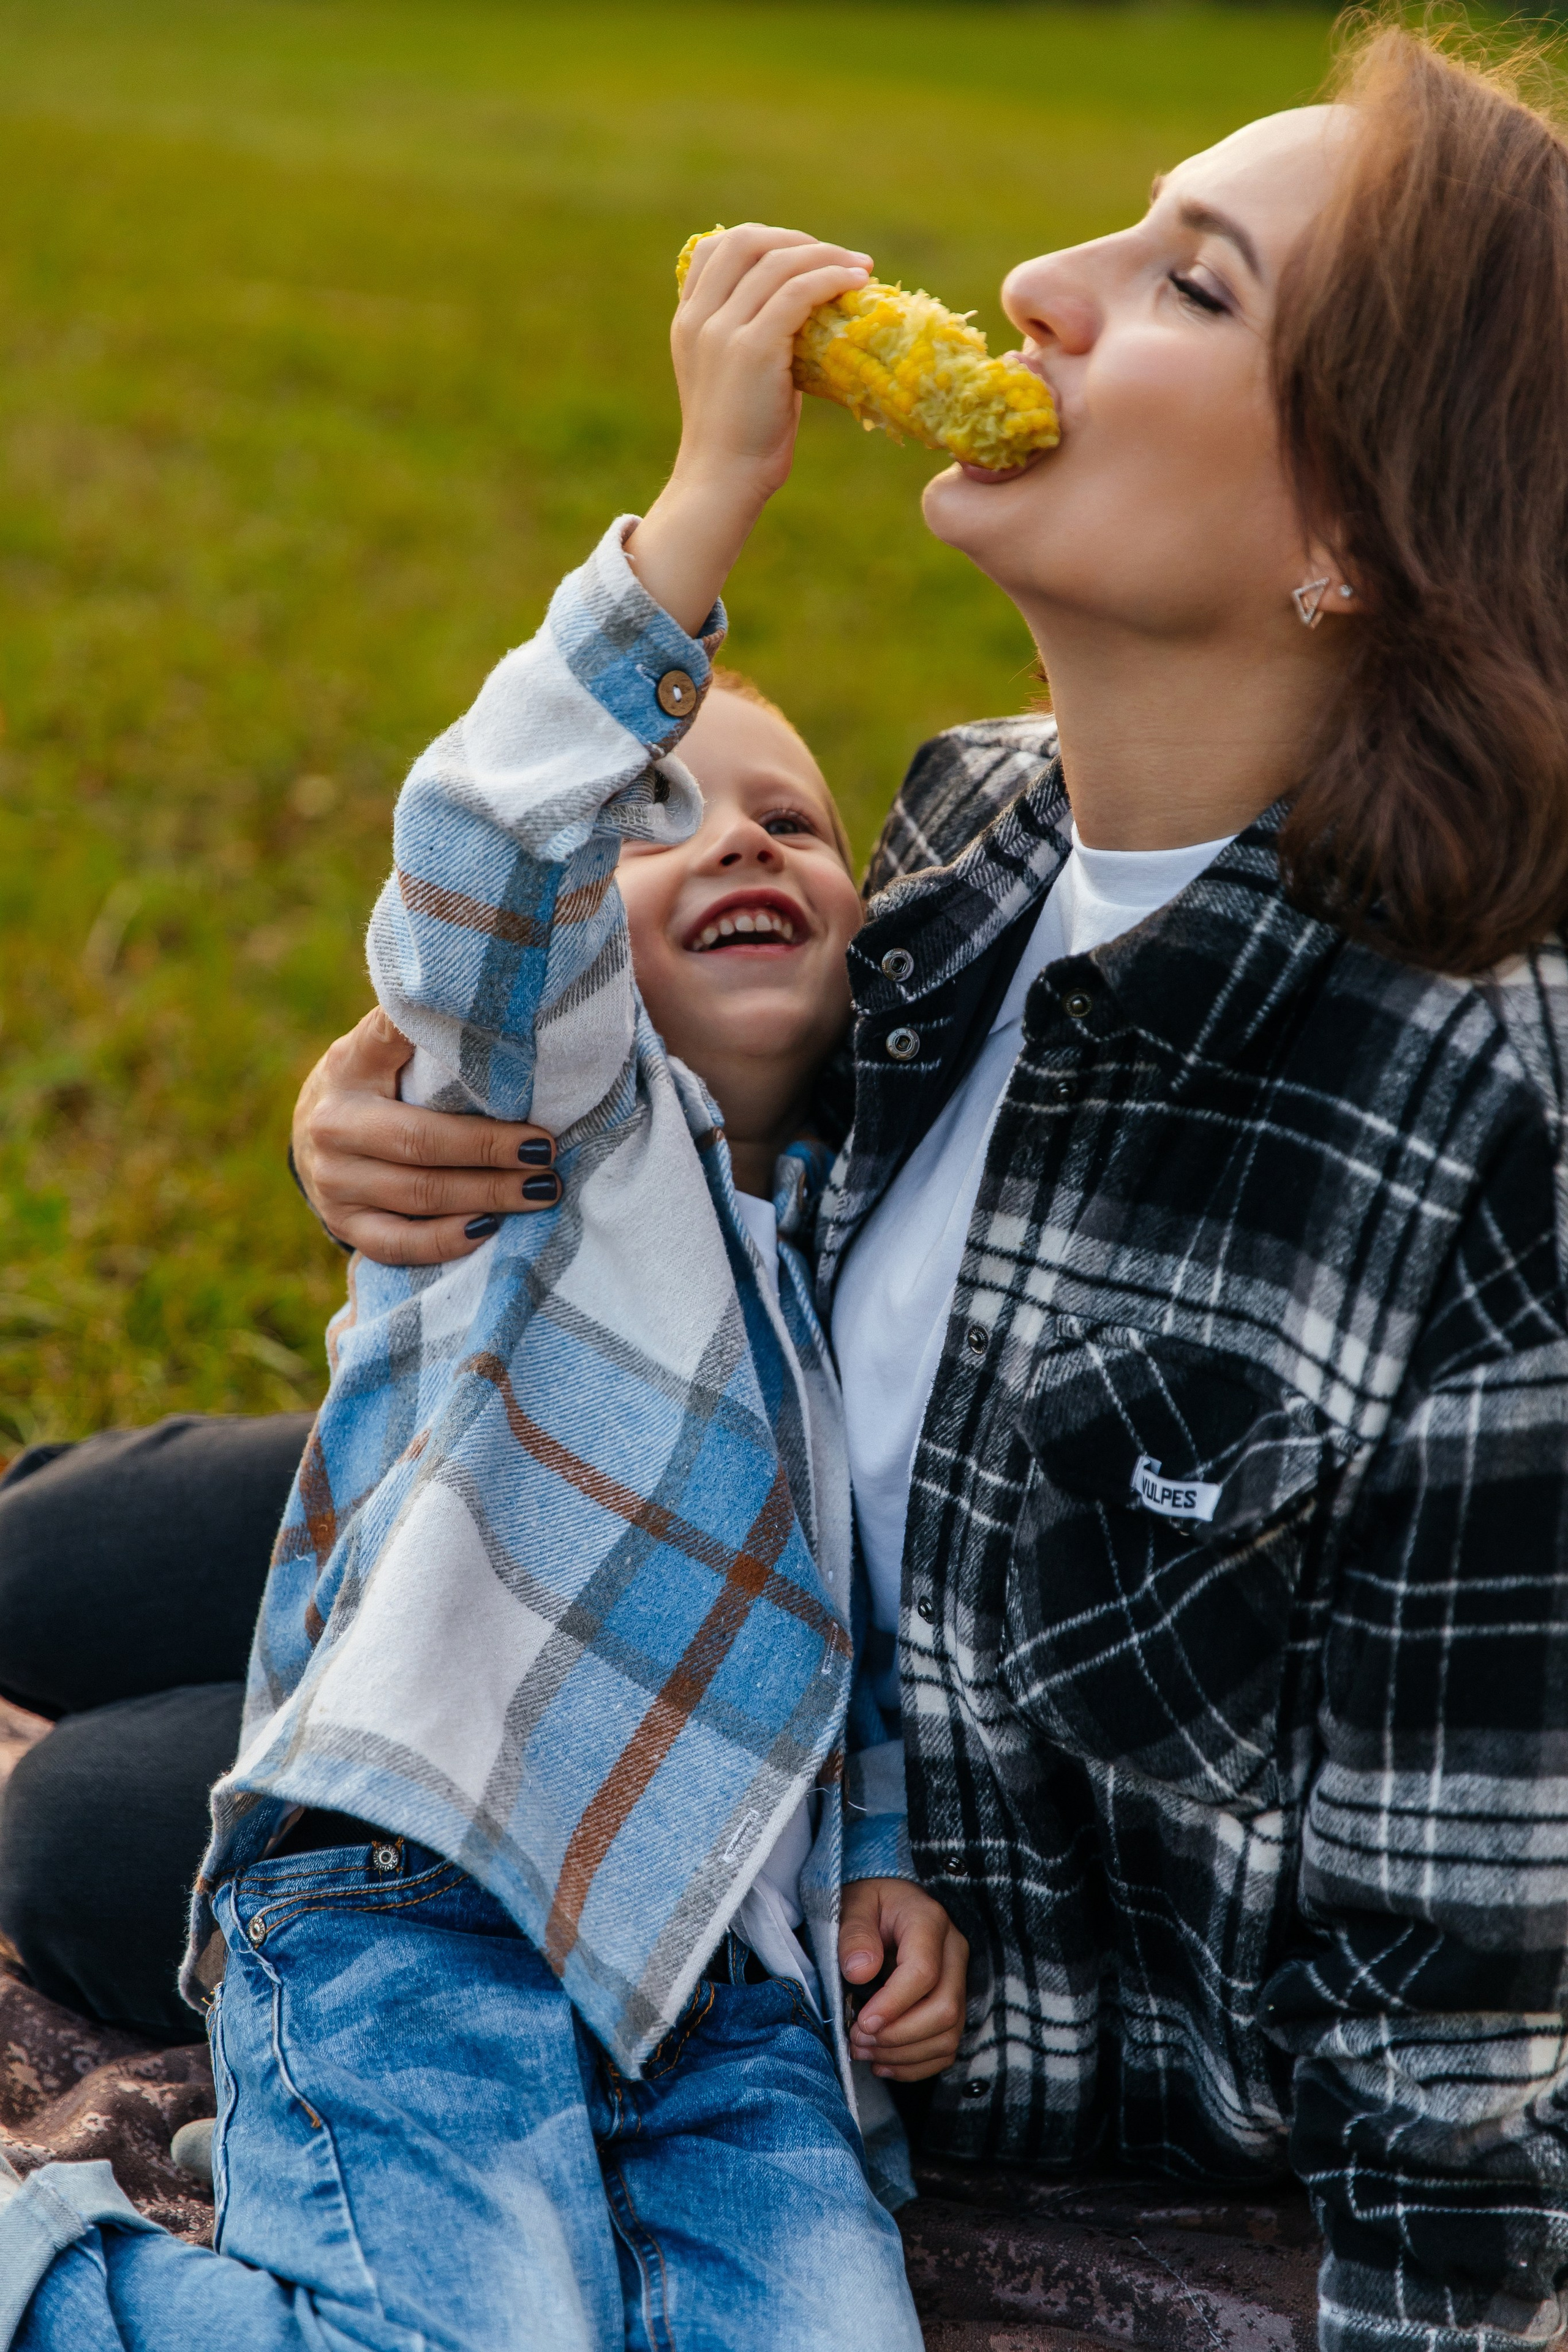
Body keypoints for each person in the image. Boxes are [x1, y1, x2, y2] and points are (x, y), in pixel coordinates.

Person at [9, 18, 1568, 2351]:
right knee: (42, 1560)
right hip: (680, 1467)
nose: (1040, 282)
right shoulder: (981, 818)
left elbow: (1467, 1937)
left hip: (832, 1793)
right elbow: (673, 1041)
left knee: (100, 1838)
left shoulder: (1486, 1117)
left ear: (1352, 535)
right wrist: (394, 1094)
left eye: (1191, 287)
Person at [2, 496, 968, 2343]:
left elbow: (847, 1641)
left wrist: (890, 1873)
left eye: (791, 819)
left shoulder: (865, 1225)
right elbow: (480, 851)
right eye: (657, 814)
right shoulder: (567, 1110)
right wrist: (696, 517)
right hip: (423, 1891)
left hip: (728, 1992)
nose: (736, 840)